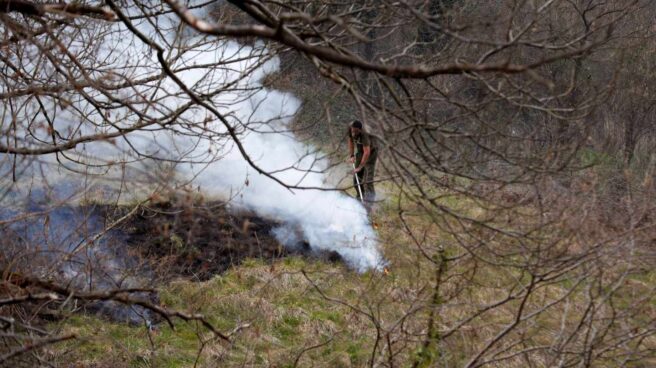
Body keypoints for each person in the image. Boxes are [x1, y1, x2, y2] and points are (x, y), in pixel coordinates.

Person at [347, 120, 378, 209]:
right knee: (356, 178)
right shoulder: (350, 129)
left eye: (356, 131)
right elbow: (350, 141)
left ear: (360, 130)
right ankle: (360, 198)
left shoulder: (365, 134)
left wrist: (360, 167)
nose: (354, 133)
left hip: (371, 151)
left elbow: (367, 152)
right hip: (361, 151)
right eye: (352, 131)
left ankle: (369, 204)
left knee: (368, 180)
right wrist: (352, 155)